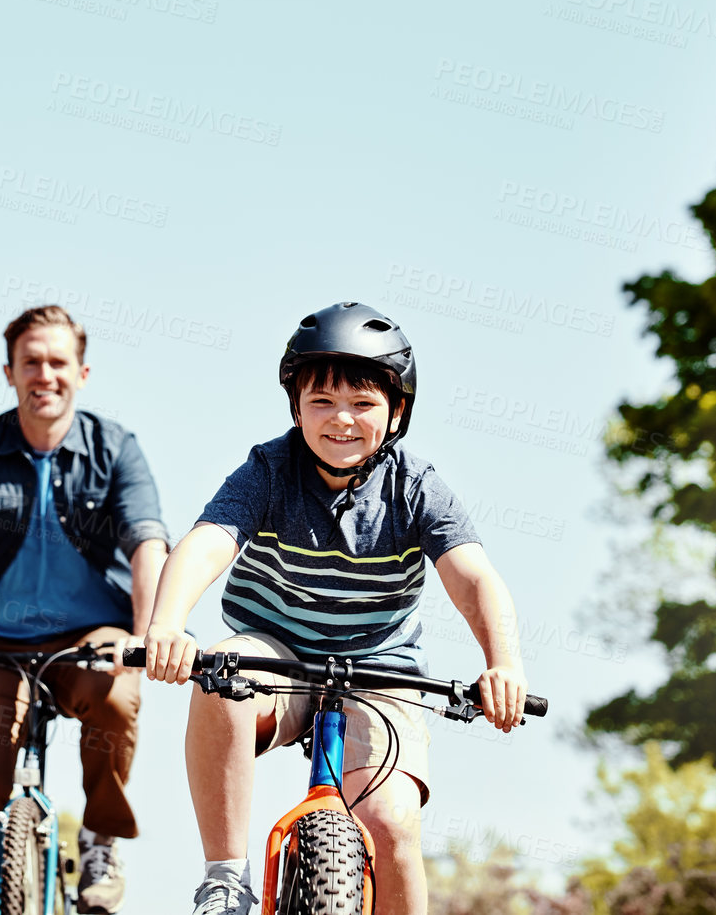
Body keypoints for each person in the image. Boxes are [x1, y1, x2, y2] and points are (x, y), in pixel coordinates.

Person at [139, 301, 529, 915]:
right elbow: (206, 543)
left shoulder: (417, 485)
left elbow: (473, 577)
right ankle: (225, 879)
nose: (341, 419)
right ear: (295, 407)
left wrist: (503, 663)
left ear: (397, 411)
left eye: (364, 404)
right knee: (220, 675)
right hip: (279, 656)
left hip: (381, 666)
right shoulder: (268, 470)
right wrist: (165, 625)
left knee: (392, 821)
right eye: (321, 402)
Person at [0, 305, 170, 915]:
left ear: (82, 373)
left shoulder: (116, 449)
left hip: (89, 635)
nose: (43, 374)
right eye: (31, 363)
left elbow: (147, 543)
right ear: (9, 372)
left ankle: (101, 839)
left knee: (113, 693)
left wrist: (151, 633)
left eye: (57, 362)